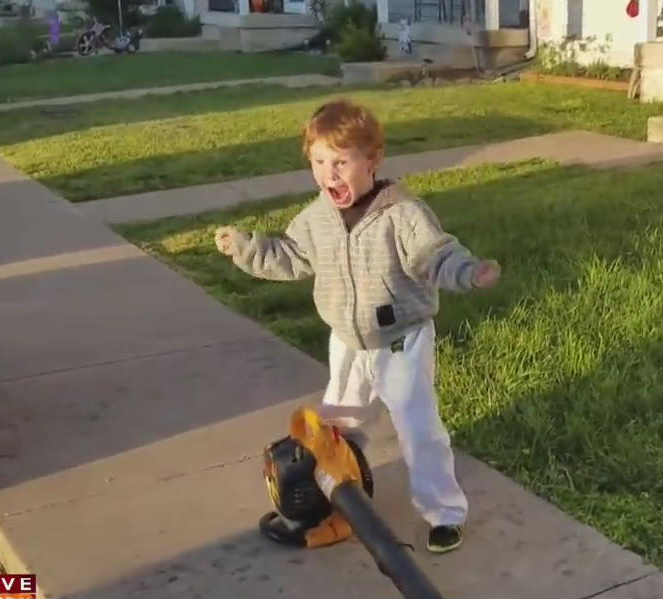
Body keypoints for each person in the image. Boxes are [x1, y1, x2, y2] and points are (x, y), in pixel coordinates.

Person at [214, 99, 501, 555]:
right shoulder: (316, 218)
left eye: (341, 162)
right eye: (320, 162)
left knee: (417, 427)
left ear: (372, 160)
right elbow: (290, 255)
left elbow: (435, 256)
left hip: (401, 341)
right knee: (337, 422)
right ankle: (338, 496)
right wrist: (247, 249)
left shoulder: (403, 214)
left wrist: (468, 272)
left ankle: (444, 514)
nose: (330, 174)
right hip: (347, 341)